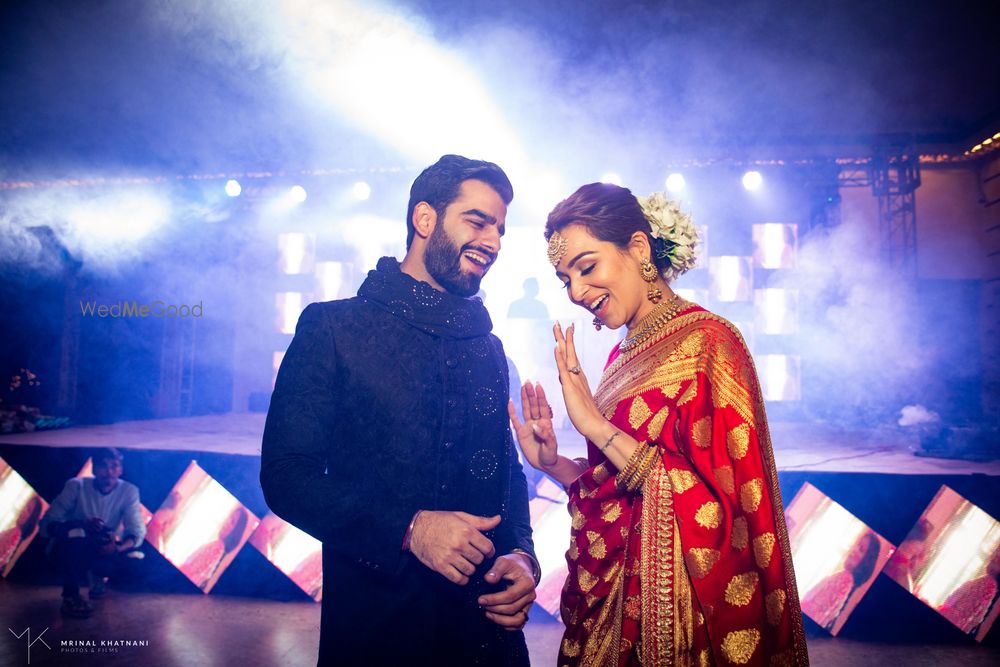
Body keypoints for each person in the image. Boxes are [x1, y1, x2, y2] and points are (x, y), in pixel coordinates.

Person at [508, 183, 809, 665]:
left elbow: (728, 505)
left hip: (682, 615)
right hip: (611, 600)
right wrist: (555, 464)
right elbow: (613, 488)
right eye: (565, 280)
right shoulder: (618, 357)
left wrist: (594, 424)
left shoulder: (710, 343)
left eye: (587, 268)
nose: (577, 292)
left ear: (639, 248)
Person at [260, 155, 539, 666]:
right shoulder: (334, 329)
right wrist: (410, 529)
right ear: (424, 220)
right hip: (379, 632)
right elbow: (286, 477)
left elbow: (507, 474)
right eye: (477, 221)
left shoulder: (489, 348)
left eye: (500, 229)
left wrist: (523, 555)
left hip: (487, 636)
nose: (494, 242)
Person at [39, 447, 145, 618]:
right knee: (78, 535)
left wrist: (116, 548)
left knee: (135, 559)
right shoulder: (76, 486)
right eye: (103, 466)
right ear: (94, 468)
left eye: (114, 466)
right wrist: (80, 524)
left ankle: (97, 577)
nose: (108, 472)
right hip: (69, 548)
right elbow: (47, 525)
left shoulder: (129, 491)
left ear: (120, 469)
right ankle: (70, 595)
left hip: (101, 548)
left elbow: (136, 530)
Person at [800, 532, 880, 630]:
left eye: (861, 549)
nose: (854, 549)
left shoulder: (845, 579)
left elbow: (815, 614)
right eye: (857, 545)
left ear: (865, 561)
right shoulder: (845, 577)